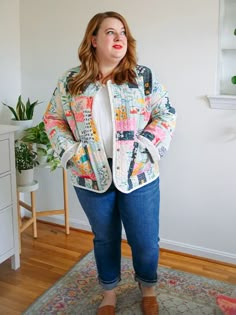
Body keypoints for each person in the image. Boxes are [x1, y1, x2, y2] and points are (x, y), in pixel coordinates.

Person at [44, 11, 176, 315]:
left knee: (144, 240)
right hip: (90, 175)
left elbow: (166, 114)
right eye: (110, 32)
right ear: (93, 39)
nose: (119, 38)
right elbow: (53, 118)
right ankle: (109, 293)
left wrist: (145, 149)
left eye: (123, 32)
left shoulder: (142, 77)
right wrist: (72, 153)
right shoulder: (71, 81)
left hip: (139, 174)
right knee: (105, 238)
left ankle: (148, 288)